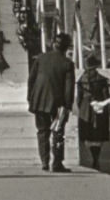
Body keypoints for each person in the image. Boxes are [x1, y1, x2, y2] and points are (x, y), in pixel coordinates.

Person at [28, 31, 75, 172]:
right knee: (58, 132)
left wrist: (30, 98)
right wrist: (68, 106)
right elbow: (69, 88)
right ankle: (57, 163)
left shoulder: (40, 58)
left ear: (54, 44)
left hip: (39, 99)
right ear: (67, 48)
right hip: (58, 102)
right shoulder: (67, 63)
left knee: (42, 131)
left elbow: (31, 79)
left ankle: (44, 161)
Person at [76, 52, 110, 170]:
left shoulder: (81, 80)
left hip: (86, 108)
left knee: (89, 134)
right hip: (99, 106)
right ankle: (96, 158)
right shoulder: (102, 79)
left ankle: (92, 157)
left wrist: (81, 107)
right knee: (98, 135)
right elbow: (106, 95)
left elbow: (79, 98)